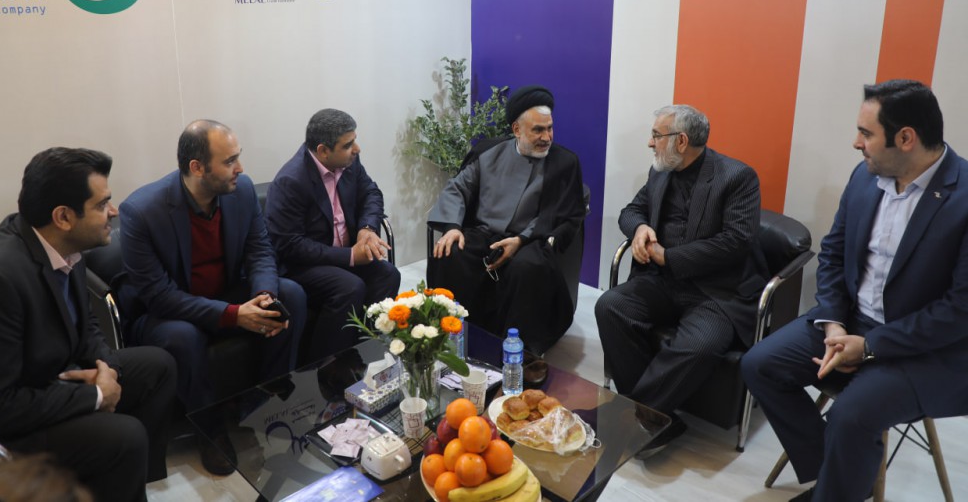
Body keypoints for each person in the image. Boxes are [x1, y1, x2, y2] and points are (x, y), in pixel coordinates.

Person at [742, 80, 968, 502]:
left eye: (866, 133)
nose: (856, 143)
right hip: (849, 322)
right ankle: (841, 480)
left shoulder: (964, 197)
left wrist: (868, 347)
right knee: (759, 364)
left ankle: (838, 486)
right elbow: (832, 254)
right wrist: (833, 325)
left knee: (852, 414)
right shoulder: (865, 178)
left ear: (906, 138)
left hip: (926, 349)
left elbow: (959, 311)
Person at [0, 148, 176, 502]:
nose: (114, 211)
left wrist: (106, 369)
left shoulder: (64, 246)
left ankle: (135, 485)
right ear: (63, 216)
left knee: (159, 366)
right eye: (102, 204)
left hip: (55, 376)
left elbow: (87, 323)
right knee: (125, 436)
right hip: (10, 428)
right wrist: (95, 395)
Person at [117, 120, 307, 476]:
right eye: (230, 161)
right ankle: (210, 430)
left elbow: (260, 251)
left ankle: (264, 401)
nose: (241, 168)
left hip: (224, 292)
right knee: (182, 336)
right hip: (170, 311)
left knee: (290, 294)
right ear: (197, 167)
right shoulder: (141, 212)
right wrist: (234, 314)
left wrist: (263, 297)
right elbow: (159, 296)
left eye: (238, 157)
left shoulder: (242, 190)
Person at [595, 105, 767, 457]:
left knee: (700, 345)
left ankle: (634, 417)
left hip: (715, 292)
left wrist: (668, 257)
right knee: (610, 306)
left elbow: (736, 242)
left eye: (656, 135)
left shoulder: (737, 177)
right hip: (661, 281)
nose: (650, 143)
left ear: (682, 141)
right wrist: (640, 229)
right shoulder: (661, 171)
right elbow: (632, 211)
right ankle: (658, 421)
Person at [427, 85, 586, 355]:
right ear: (516, 130)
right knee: (450, 252)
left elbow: (562, 212)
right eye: (538, 130)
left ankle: (519, 352)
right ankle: (451, 334)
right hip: (484, 234)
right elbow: (458, 188)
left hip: (530, 240)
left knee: (527, 269)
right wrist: (453, 227)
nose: (547, 137)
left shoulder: (565, 163)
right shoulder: (488, 152)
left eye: (549, 129)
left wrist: (521, 239)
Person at [265, 109, 400, 362]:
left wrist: (367, 229)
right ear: (323, 150)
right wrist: (350, 256)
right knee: (349, 287)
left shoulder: (349, 163)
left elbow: (371, 193)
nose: (357, 149)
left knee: (388, 274)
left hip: (343, 255)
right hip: (304, 265)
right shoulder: (291, 181)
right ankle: (327, 366)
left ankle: (367, 356)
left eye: (354, 140)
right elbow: (290, 245)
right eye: (348, 145)